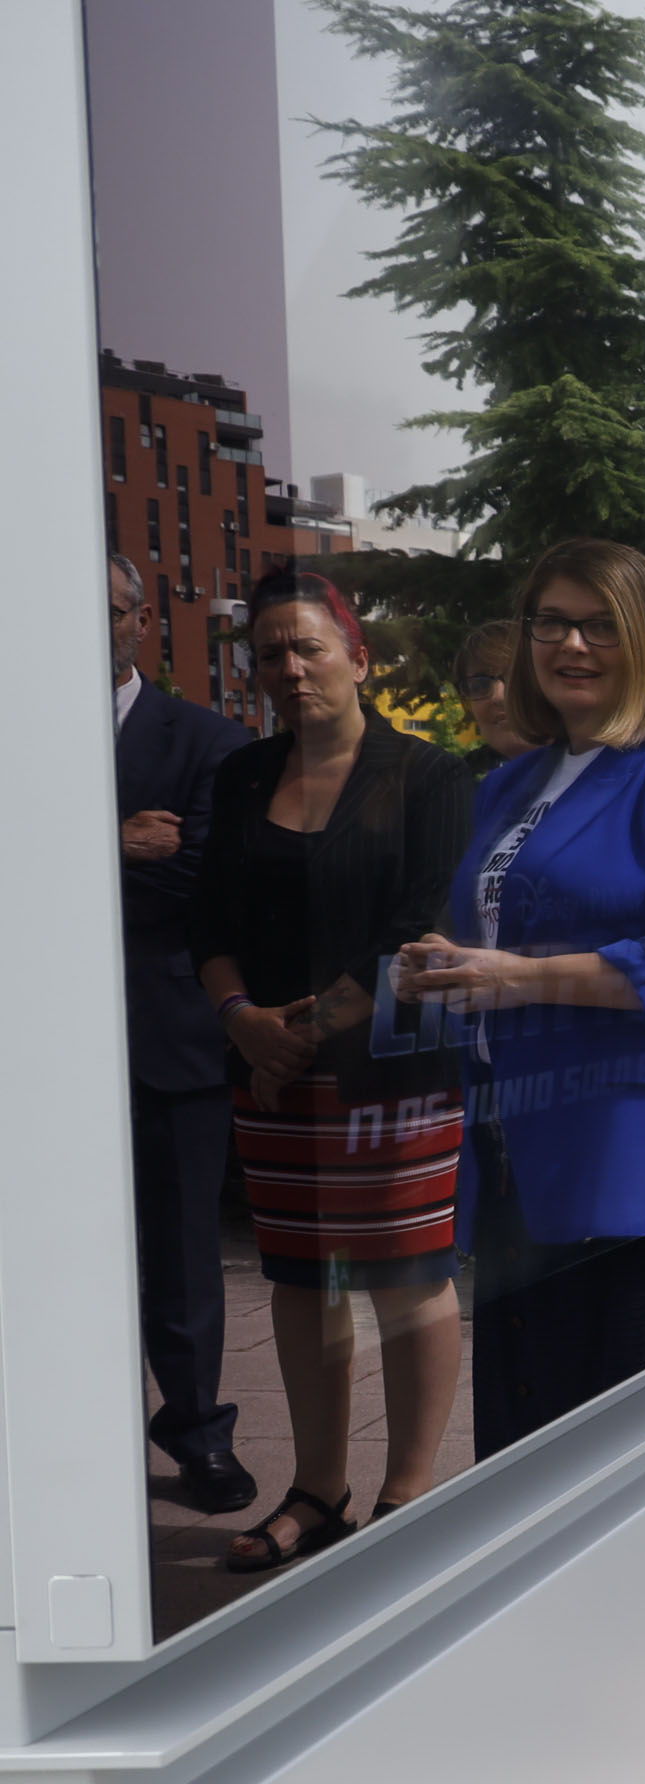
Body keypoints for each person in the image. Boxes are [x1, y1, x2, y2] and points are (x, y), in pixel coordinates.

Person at [398, 539, 645, 1458]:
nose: (570, 645)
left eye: (599, 625)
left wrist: (515, 977)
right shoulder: (511, 785)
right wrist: (446, 966)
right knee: (539, 1474)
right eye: (551, 623)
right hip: (529, 1158)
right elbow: (511, 937)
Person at [191, 571, 480, 1572]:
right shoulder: (241, 775)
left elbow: (417, 926)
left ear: (358, 658)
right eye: (270, 651)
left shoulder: (429, 776)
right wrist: (241, 1021)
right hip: (270, 1072)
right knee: (300, 1279)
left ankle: (408, 1497)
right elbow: (208, 921)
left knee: (408, 1277)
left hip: (391, 1069)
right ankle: (318, 1491)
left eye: (308, 646)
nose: (290, 667)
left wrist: (296, 1034)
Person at [110, 552, 258, 1515]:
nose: (95, 626)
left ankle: (200, 1434)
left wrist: (51, 855)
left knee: (181, 1255)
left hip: (168, 1033)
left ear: (142, 620)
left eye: (111, 609)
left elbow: (194, 879)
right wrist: (108, 838)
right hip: (36, 1050)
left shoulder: (207, 739)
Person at [451, 617, 540, 779]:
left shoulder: (588, 774)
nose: (498, 697)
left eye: (516, 678)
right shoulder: (457, 782)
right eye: (479, 685)